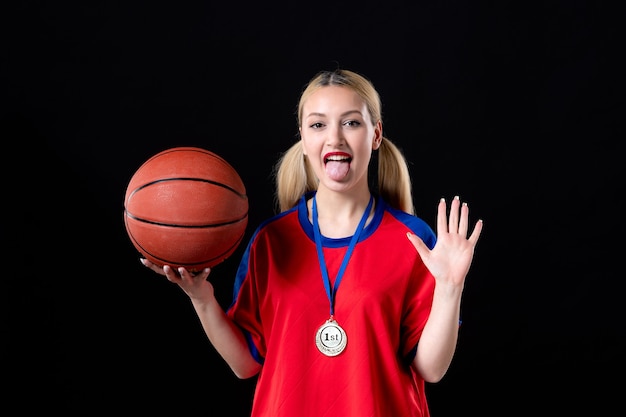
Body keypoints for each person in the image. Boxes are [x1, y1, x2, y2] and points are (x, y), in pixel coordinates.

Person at [141, 68, 483, 416]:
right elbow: (245, 364)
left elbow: (432, 369)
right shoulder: (271, 241)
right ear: (303, 139)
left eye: (351, 123)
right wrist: (201, 298)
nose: (334, 138)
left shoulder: (414, 241)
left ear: (376, 134)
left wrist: (450, 287)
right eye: (318, 125)